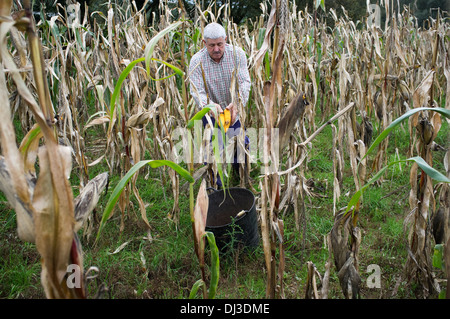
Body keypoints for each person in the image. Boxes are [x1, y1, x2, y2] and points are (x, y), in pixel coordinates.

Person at [188, 22, 251, 186]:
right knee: (214, 150)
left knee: (240, 143)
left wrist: (237, 103)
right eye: (211, 45)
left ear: (226, 40)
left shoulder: (237, 55)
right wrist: (209, 106)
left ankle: (240, 175)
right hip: (210, 114)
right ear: (204, 43)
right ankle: (215, 186)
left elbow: (245, 82)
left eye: (220, 44)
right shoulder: (196, 61)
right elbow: (197, 91)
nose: (216, 49)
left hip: (232, 110)